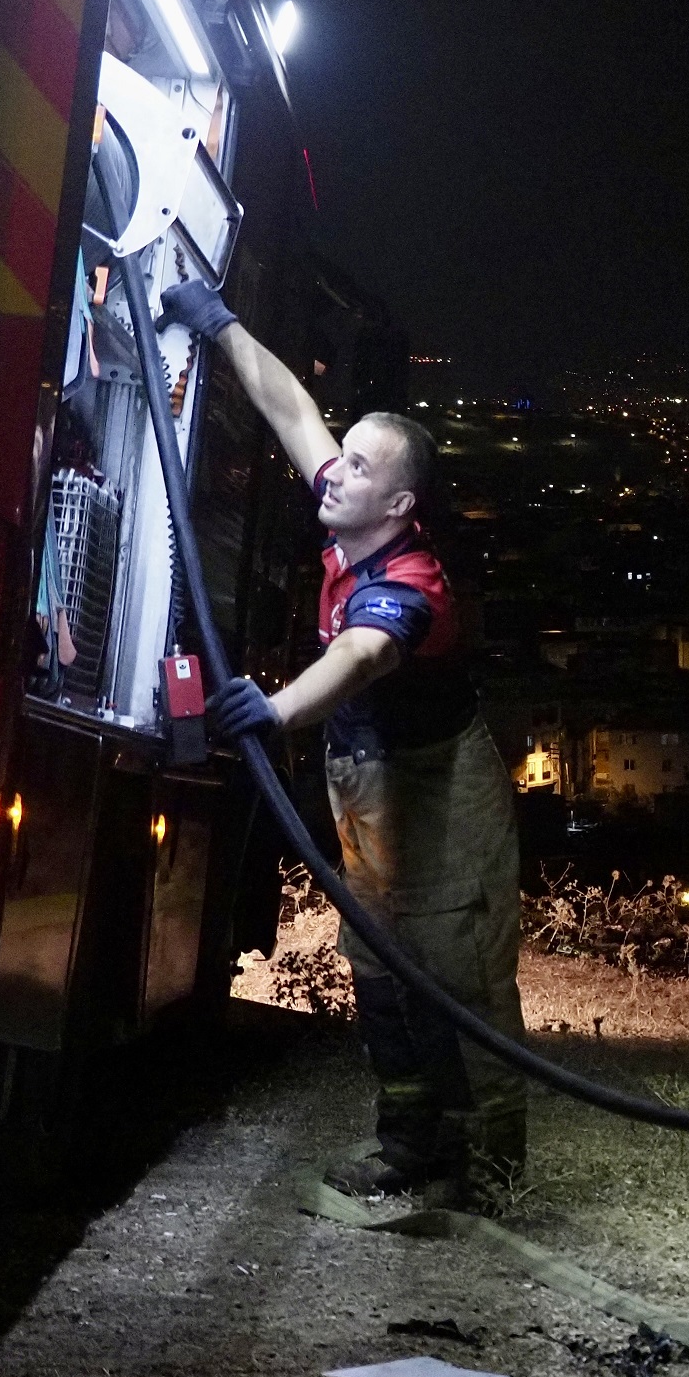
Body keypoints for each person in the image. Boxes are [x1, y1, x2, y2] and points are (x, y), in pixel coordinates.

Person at [159, 277, 527, 1205]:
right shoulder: (348, 513)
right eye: (345, 459)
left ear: (399, 505)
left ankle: (487, 1161)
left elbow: (361, 656)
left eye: (360, 469)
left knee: (458, 967)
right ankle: (408, 1142)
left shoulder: (411, 585)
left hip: (440, 783)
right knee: (377, 962)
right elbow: (292, 407)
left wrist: (274, 711)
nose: (337, 472)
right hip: (366, 779)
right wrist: (224, 325)